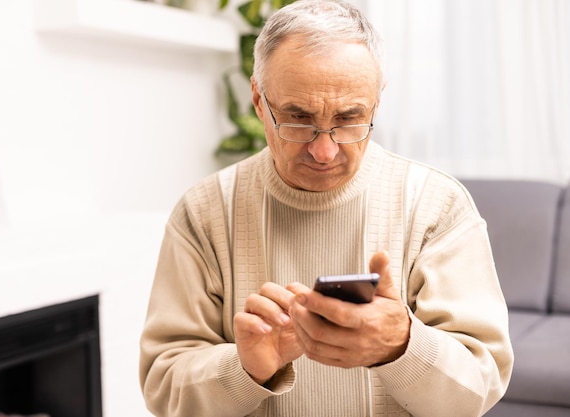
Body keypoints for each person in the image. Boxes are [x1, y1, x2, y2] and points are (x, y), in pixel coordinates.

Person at [139, 1, 513, 416]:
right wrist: (244, 369)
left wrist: (404, 345)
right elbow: (163, 386)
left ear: (377, 103)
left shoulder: (437, 206)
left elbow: (478, 389)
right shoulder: (204, 212)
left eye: (350, 118)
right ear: (259, 101)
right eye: (298, 118)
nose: (324, 150)